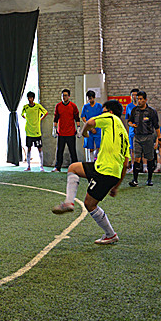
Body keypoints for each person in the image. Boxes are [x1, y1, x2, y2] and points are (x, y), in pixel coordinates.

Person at [51, 99, 129, 246]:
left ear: (110, 112)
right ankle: (69, 202)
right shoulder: (124, 134)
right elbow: (125, 164)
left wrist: (84, 132)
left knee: (90, 205)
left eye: (103, 111)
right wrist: (116, 186)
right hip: (110, 171)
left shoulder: (110, 117)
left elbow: (90, 122)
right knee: (73, 168)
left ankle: (111, 235)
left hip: (104, 170)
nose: (102, 114)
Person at [127, 90, 160, 186]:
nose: (139, 101)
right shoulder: (134, 110)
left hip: (148, 137)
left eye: (141, 99)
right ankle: (135, 180)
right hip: (137, 137)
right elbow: (129, 121)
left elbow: (156, 126)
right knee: (137, 158)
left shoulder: (151, 111)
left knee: (150, 158)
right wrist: (131, 124)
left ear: (145, 100)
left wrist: (159, 138)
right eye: (138, 99)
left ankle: (149, 179)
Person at [53, 88, 80, 173]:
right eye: (62, 96)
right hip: (61, 133)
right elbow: (56, 118)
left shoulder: (73, 106)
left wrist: (79, 129)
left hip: (71, 133)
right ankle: (57, 167)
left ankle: (75, 168)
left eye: (65, 95)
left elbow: (77, 118)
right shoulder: (58, 106)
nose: (63, 97)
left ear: (69, 96)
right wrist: (54, 128)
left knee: (72, 151)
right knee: (59, 151)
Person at [21, 91, 48, 171]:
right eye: (29, 98)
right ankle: (28, 166)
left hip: (37, 132)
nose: (30, 99)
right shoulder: (25, 107)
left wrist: (40, 119)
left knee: (39, 149)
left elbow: (46, 113)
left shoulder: (38, 106)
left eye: (31, 98)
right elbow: (22, 115)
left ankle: (41, 166)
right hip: (29, 132)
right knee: (29, 148)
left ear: (33, 98)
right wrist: (28, 120)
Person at [81, 90, 103, 163]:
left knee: (99, 146)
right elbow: (83, 117)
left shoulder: (99, 106)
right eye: (88, 99)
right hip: (89, 129)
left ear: (94, 97)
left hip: (98, 129)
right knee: (90, 147)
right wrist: (89, 126)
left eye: (91, 98)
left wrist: (97, 126)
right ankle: (90, 161)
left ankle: (97, 161)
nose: (89, 100)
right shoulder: (85, 107)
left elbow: (102, 117)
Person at [125, 89, 139, 158]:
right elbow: (127, 120)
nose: (134, 97)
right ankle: (133, 163)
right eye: (132, 95)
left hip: (141, 130)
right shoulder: (129, 106)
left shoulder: (142, 106)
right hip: (132, 130)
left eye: (135, 95)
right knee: (132, 149)